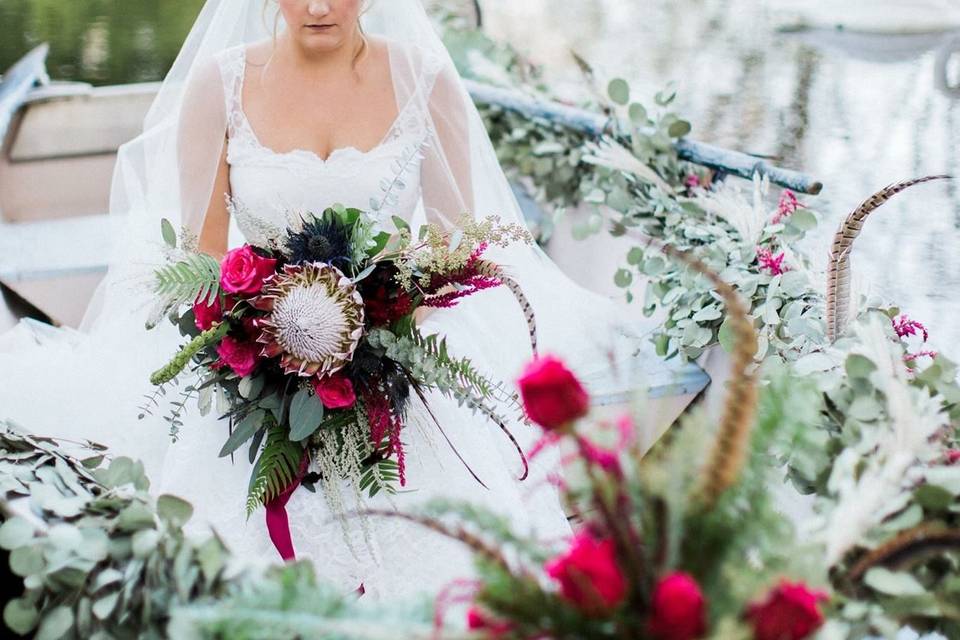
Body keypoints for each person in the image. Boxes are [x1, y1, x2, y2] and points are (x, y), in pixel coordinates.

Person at [0, 0, 646, 599]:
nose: (316, 7)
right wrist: (268, 335)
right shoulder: (217, 86)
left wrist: (376, 327)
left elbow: (455, 254)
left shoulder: (425, 78)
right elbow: (203, 262)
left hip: (397, 363)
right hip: (255, 372)